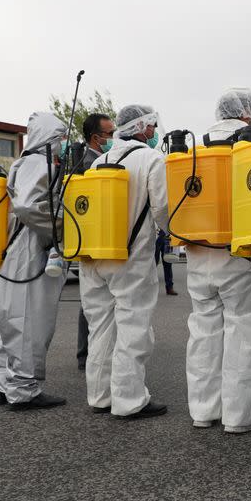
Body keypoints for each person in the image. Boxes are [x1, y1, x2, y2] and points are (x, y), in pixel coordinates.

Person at [185, 88, 251, 432]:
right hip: (238, 254)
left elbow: (167, 206)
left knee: (203, 332)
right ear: (248, 114)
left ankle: (203, 411)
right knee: (244, 330)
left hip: (197, 254)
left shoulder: (193, 149)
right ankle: (240, 416)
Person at [80, 104, 169, 418]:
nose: (155, 131)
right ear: (143, 127)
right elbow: (162, 209)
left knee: (100, 328)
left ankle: (100, 395)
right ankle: (129, 400)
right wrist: (176, 233)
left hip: (94, 256)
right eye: (153, 125)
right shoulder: (151, 158)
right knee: (133, 326)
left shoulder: (99, 160)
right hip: (129, 257)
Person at [0, 112, 69, 409]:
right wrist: (61, 224)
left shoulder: (22, 162)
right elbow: (26, 206)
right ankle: (24, 391)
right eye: (60, 137)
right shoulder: (40, 162)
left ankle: (2, 383)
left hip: (9, 250)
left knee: (5, 319)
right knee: (28, 318)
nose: (62, 143)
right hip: (27, 250)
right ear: (49, 137)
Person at [76, 113, 115, 371]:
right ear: (95, 137)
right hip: (93, 239)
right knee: (92, 300)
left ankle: (89, 351)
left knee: (91, 299)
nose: (113, 138)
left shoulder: (92, 159)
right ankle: (86, 353)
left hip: (94, 239)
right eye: (109, 134)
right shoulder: (89, 163)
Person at [154, 229, 178, 295]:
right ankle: (148, 287)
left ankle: (169, 287)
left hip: (167, 236)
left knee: (168, 262)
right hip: (156, 236)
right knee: (153, 263)